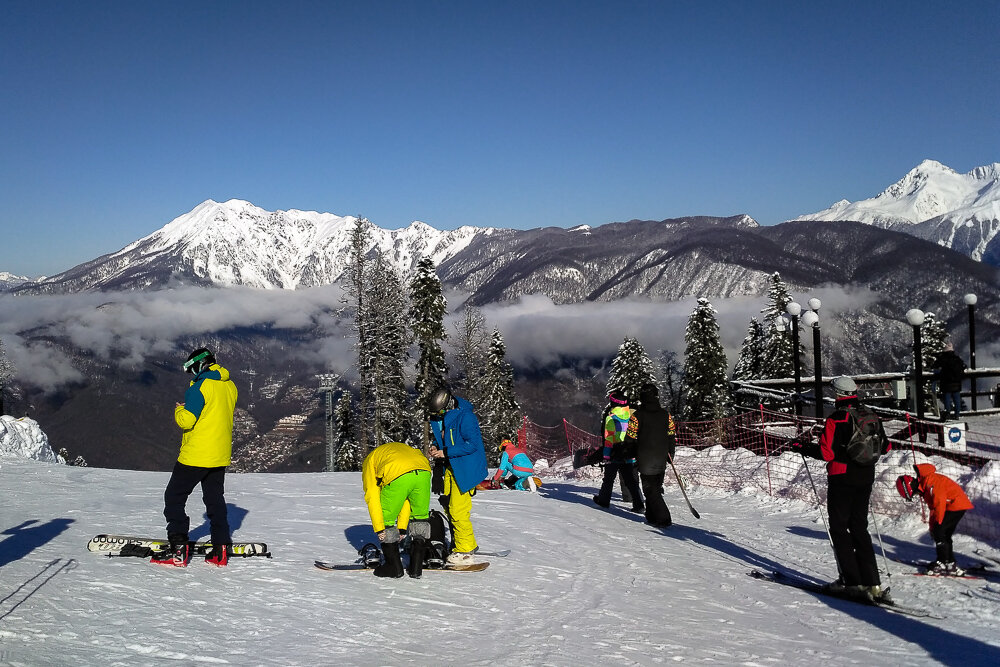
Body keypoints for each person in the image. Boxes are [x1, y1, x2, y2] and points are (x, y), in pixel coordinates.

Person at [796, 375, 890, 601]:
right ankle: (873, 584)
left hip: (841, 476)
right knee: (859, 527)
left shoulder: (836, 419)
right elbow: (885, 446)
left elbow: (827, 453)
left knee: (839, 528)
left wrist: (804, 448)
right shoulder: (870, 415)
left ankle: (851, 582)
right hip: (866, 475)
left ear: (837, 394)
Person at [152, 348, 238, 567]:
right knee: (215, 500)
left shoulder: (200, 387)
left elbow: (187, 421)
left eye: (191, 369)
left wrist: (179, 410)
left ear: (199, 365)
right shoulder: (230, 386)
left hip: (196, 455)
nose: (191, 374)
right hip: (220, 455)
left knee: (174, 498)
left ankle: (178, 550)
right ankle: (221, 550)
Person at [427, 385, 489, 565]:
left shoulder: (466, 417)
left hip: (465, 470)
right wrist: (435, 446)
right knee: (447, 505)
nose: (437, 415)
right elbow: (444, 437)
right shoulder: (445, 417)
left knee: (458, 510)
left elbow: (472, 444)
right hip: (451, 469)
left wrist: (445, 452)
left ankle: (465, 550)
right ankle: (463, 542)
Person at [362, 441, 433, 578]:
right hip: (423, 469)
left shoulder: (370, 461)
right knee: (420, 517)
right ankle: (416, 568)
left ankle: (393, 567)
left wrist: (380, 527)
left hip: (396, 471)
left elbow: (372, 495)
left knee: (386, 519)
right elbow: (405, 498)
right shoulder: (396, 450)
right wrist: (401, 528)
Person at [896, 463, 974, 574]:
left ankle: (942, 562)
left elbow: (939, 501)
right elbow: (933, 508)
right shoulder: (924, 486)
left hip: (956, 504)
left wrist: (938, 523)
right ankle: (949, 562)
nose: (917, 494)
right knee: (944, 534)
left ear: (911, 487)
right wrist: (932, 526)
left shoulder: (930, 482)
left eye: (914, 493)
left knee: (940, 531)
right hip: (953, 505)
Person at [624, 384, 675, 528]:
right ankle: (652, 516)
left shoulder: (637, 416)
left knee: (649, 489)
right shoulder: (666, 415)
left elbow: (630, 438)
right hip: (662, 456)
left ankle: (664, 518)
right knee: (656, 487)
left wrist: (630, 454)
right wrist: (671, 453)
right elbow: (671, 435)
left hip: (645, 457)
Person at [593, 390, 643, 512]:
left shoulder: (611, 418)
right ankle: (639, 504)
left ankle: (604, 501)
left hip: (615, 452)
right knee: (630, 480)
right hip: (629, 452)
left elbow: (608, 438)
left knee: (609, 478)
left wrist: (606, 455)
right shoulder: (632, 415)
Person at [932, 342, 967, 421]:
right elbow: (964, 366)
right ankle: (957, 414)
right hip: (957, 382)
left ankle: (947, 413)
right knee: (957, 399)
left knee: (947, 399)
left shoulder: (942, 359)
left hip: (946, 382)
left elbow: (935, 366)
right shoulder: (957, 358)